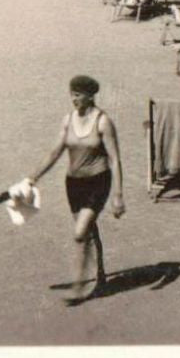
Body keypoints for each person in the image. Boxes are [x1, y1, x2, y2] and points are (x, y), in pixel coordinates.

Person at [25, 75, 126, 303]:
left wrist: (118, 195)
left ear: (90, 96)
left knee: (80, 233)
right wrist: (34, 177)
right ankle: (100, 273)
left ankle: (79, 286)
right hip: (73, 184)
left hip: (98, 181)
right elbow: (55, 152)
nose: (73, 99)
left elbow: (115, 160)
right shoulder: (68, 120)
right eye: (71, 94)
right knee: (88, 231)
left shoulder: (102, 121)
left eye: (78, 95)